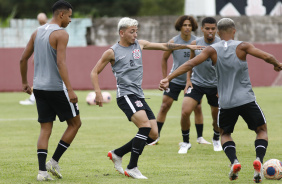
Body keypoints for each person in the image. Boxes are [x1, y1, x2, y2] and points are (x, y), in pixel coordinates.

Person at [159, 18, 282, 182]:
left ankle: (234, 161)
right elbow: (267, 56)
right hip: (246, 100)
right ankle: (259, 159)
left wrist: (168, 78)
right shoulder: (242, 46)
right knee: (261, 130)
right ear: (234, 31)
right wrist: (276, 64)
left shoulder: (211, 50)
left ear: (217, 32)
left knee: (225, 134)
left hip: (226, 103)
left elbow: (190, 64)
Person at [90, 17, 204, 179]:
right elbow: (94, 72)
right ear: (121, 33)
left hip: (138, 96)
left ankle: (118, 153)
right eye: (132, 32)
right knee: (145, 127)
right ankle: (132, 167)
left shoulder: (140, 44)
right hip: (126, 95)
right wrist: (98, 92)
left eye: (136, 31)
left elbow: (165, 46)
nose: (135, 35)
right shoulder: (112, 52)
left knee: (153, 134)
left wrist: (185, 45)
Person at [20, 0, 81, 181]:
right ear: (61, 14)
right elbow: (61, 63)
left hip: (38, 87)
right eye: (69, 16)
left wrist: (24, 82)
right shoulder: (61, 34)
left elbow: (23, 59)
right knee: (75, 124)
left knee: (45, 129)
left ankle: (42, 172)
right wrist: (70, 90)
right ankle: (53, 161)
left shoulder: (37, 32)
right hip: (56, 88)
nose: (70, 20)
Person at [156, 15, 210, 146]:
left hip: (192, 80)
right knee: (164, 106)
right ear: (180, 26)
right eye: (185, 25)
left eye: (189, 25)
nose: (187, 27)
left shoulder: (197, 42)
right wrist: (165, 78)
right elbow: (164, 59)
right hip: (175, 79)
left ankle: (200, 137)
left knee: (197, 107)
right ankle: (155, 137)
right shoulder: (174, 41)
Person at [177, 17, 222, 154]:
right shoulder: (195, 43)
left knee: (217, 117)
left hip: (215, 85)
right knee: (185, 111)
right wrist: (188, 80)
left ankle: (216, 139)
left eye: (213, 29)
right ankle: (185, 143)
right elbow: (191, 62)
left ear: (216, 30)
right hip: (196, 83)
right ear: (202, 29)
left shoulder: (221, 44)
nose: (210, 31)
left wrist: (222, 86)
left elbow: (225, 67)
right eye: (207, 28)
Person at [19, 12, 48, 105]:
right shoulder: (39, 31)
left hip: (48, 61)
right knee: (42, 80)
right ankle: (33, 98)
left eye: (42, 19)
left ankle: (33, 99)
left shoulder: (48, 30)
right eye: (40, 19)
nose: (41, 21)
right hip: (45, 61)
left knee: (42, 80)